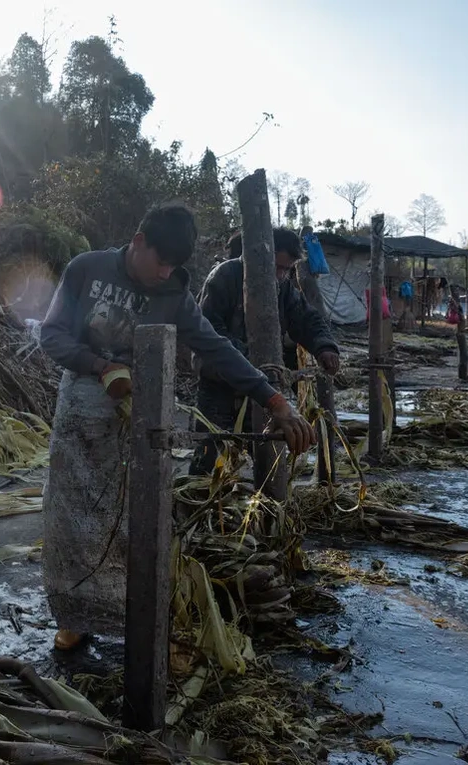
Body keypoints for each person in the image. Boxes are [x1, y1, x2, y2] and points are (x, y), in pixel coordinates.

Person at [38, 204, 314, 651]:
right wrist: (99, 365)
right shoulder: (87, 269)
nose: (165, 273)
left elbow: (217, 347)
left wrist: (275, 401)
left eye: (174, 266)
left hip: (144, 413)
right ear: (139, 241)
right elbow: (52, 335)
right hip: (82, 409)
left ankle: (133, 612)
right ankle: (75, 617)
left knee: (137, 514)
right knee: (73, 517)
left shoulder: (175, 296)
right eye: (161, 261)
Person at [190, 228, 340, 474]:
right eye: (277, 267)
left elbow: (306, 318)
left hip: (261, 384)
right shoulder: (225, 276)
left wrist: (324, 346)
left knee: (263, 450)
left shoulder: (283, 287)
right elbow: (209, 330)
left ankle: (260, 496)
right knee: (211, 449)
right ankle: (199, 493)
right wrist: (246, 359)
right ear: (259, 257)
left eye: (286, 270)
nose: (281, 275)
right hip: (218, 380)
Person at [447, 285, 468, 381]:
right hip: (459, 329)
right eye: (456, 291)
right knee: (464, 356)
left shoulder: (454, 302)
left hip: (460, 328)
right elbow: (455, 310)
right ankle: (462, 375)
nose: (458, 293)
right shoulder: (454, 302)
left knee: (465, 355)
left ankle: (463, 374)